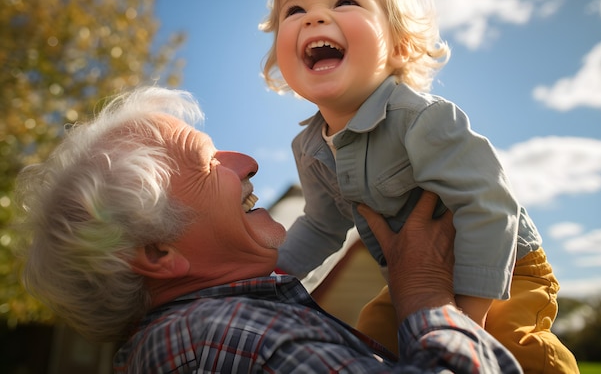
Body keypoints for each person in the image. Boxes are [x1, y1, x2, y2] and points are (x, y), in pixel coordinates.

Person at [16, 86, 522, 373]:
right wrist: (428, 299)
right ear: (157, 250)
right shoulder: (238, 339)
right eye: (207, 161)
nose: (250, 163)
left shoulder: (191, 338)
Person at [260, 0, 578, 373]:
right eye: (294, 10)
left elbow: (489, 206)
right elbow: (321, 224)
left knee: (511, 345)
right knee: (374, 334)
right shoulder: (311, 148)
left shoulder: (421, 119)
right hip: (413, 279)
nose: (314, 17)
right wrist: (267, 279)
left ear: (399, 46)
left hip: (504, 265)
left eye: (344, 1)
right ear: (279, 57)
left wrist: (467, 317)